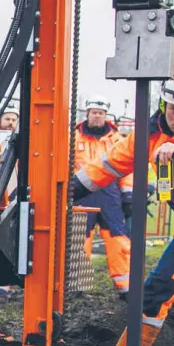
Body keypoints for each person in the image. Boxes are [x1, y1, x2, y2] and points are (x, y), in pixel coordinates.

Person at [73, 67, 174, 346]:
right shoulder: (149, 135)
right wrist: (65, 190)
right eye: (173, 110)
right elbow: (108, 165)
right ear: (162, 105)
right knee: (153, 295)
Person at [74, 96, 130, 295]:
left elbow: (127, 168)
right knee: (80, 238)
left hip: (110, 194)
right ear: (87, 114)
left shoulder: (117, 139)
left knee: (117, 238)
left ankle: (125, 284)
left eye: (101, 113)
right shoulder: (73, 137)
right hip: (81, 193)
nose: (97, 116)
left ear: (106, 115)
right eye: (94, 112)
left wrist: (129, 194)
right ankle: (78, 285)